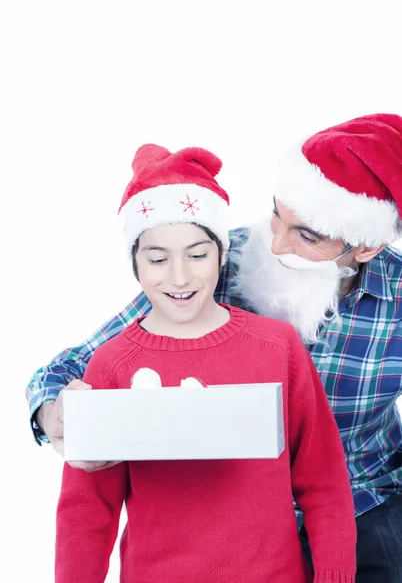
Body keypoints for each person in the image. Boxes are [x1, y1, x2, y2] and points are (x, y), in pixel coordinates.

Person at [27, 113, 402, 581]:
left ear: (364, 248)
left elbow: (326, 483)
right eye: (276, 214)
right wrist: (53, 412)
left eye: (306, 235)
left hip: (367, 494)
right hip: (239, 513)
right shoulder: (213, 261)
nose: (276, 244)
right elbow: (86, 363)